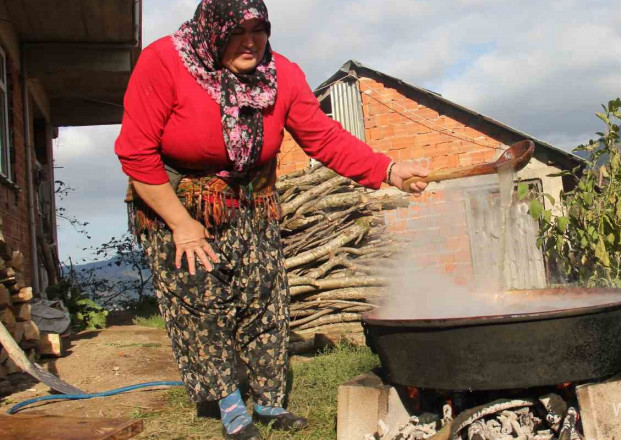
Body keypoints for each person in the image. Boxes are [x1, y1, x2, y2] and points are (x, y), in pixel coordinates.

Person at [114, 1, 428, 438]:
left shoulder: (282, 73)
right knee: (201, 302)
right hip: (176, 203)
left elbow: (323, 136)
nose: (250, 41)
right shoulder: (164, 61)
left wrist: (387, 169)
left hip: (251, 200)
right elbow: (135, 153)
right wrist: (181, 224)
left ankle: (268, 402)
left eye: (258, 29)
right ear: (212, 29)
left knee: (265, 299)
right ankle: (229, 405)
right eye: (236, 30)